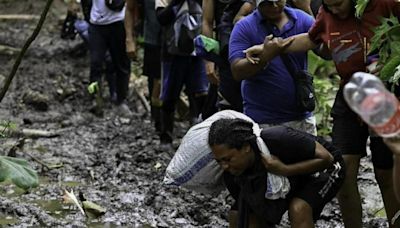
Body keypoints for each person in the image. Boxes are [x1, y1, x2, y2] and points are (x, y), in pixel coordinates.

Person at [244, 0, 400, 227]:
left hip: (386, 92)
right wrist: (274, 48)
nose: (335, 10)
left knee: (385, 172)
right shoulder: (326, 14)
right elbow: (311, 38)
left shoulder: (382, 5)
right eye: (330, 5)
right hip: (350, 93)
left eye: (339, 4)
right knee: (344, 171)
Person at [208, 118, 345, 227]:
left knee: (298, 209)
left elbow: (326, 158)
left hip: (324, 167)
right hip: (290, 177)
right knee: (238, 215)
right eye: (219, 161)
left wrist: (284, 170)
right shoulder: (232, 173)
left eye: (228, 159)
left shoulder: (277, 138)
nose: (224, 166)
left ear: (246, 148)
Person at [228, 0, 317, 135]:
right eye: (268, 2)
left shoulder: (302, 19)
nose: (274, 6)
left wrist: (309, 11)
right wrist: (265, 57)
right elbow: (237, 71)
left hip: (302, 118)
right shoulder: (244, 27)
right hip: (262, 120)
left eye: (278, 1)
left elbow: (325, 49)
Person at [156, 0, 209, 148]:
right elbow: (161, 18)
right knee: (169, 95)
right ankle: (165, 137)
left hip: (197, 51)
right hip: (173, 53)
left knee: (200, 93)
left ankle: (198, 138)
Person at [201, 0, 254, 117]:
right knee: (229, 106)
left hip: (258, 48)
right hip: (227, 52)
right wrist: (209, 59)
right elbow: (207, 21)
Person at [88, 0, 132, 116]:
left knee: (121, 63)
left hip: (118, 21)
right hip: (96, 24)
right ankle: (95, 98)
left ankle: (121, 99)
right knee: (95, 63)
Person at [125, 0, 163, 131]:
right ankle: (157, 121)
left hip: (181, 40)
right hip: (153, 39)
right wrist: (129, 38)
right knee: (155, 80)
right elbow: (130, 8)